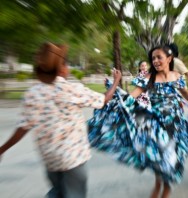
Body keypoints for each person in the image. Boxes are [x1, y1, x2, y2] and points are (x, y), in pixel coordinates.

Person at [0, 42, 122, 198]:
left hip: (50, 159)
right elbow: (104, 100)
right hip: (73, 159)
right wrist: (116, 81)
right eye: (67, 64)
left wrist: (2, 149)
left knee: (57, 192)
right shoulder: (71, 89)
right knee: (73, 194)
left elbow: (23, 127)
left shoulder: (33, 93)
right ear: (62, 68)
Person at [88, 45, 188, 198]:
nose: (155, 61)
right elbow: (131, 97)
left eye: (159, 57)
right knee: (158, 157)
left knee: (173, 158)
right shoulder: (148, 78)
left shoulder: (176, 76)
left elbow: (185, 93)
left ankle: (166, 192)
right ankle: (158, 185)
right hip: (157, 125)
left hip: (176, 125)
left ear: (169, 59)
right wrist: (116, 95)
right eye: (153, 58)